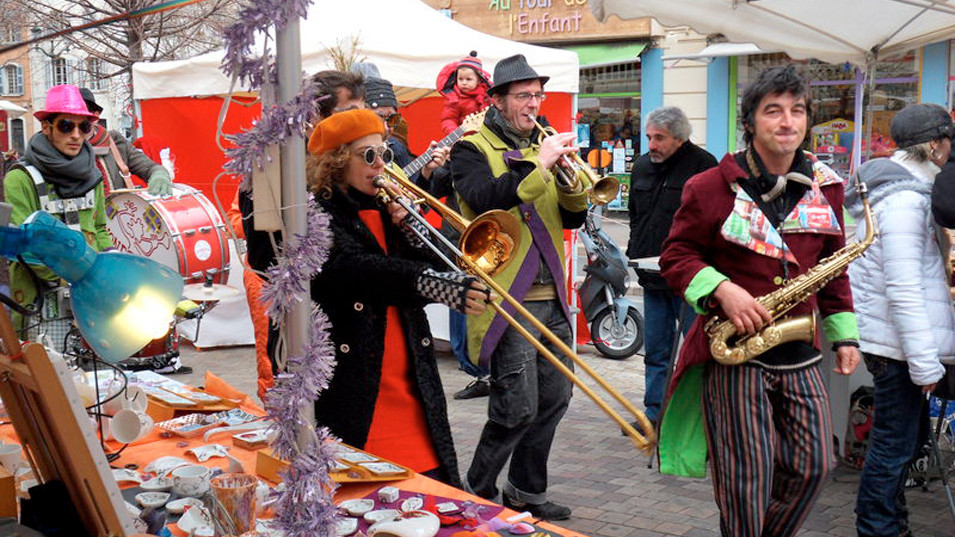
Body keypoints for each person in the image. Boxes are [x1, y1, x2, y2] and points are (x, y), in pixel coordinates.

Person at [659, 65, 861, 537]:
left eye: (797, 111)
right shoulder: (709, 186)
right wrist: (722, 289)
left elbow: (833, 266)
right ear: (750, 122)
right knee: (745, 481)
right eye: (773, 111)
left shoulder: (826, 186)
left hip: (800, 349)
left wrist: (844, 334)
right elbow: (677, 255)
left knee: (815, 466)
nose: (787, 122)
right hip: (734, 353)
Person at [308, 108, 490, 485]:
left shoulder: (383, 207)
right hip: (358, 387)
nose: (381, 165)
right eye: (369, 155)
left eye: (385, 154)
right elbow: (356, 271)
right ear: (338, 161)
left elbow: (431, 263)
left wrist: (408, 228)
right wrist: (436, 284)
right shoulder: (318, 215)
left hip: (410, 385)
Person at [450, 54, 589, 520]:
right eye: (524, 96)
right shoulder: (471, 148)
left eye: (538, 95)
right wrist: (541, 167)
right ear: (499, 100)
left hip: (552, 294)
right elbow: (485, 199)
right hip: (506, 296)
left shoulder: (545, 143)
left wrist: (573, 184)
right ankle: (476, 491)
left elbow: (573, 218)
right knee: (515, 406)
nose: (534, 104)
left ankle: (526, 492)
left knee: (556, 398)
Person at [847, 103, 954, 537]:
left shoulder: (897, 191)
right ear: (934, 145)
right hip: (897, 347)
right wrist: (925, 363)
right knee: (893, 446)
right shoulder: (906, 201)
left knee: (900, 443)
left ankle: (888, 523)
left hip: (893, 342)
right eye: (948, 141)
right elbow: (905, 289)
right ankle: (878, 528)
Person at [625, 106, 716, 434]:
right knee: (656, 350)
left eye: (659, 138)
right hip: (652, 276)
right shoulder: (642, 166)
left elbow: (715, 223)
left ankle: (695, 420)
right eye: (649, 136)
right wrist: (634, 251)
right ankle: (655, 414)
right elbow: (636, 215)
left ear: (680, 138)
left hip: (692, 279)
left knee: (695, 351)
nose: (652, 144)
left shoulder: (705, 167)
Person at [3, 84, 112, 351]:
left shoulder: (93, 175)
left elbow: (99, 229)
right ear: (46, 127)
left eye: (84, 127)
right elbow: (25, 247)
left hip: (89, 300)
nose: (76, 135)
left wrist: (110, 269)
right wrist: (80, 275)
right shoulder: (20, 178)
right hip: (39, 304)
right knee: (49, 385)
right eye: (66, 126)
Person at [79, 88, 172, 197]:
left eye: (82, 119)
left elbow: (150, 167)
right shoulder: (60, 148)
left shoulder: (115, 141)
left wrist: (159, 174)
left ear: (95, 117)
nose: (75, 132)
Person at [437, 51, 492, 135]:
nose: (464, 82)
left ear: (479, 80)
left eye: (468, 79)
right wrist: (455, 134)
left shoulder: (488, 93)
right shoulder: (454, 99)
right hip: (467, 138)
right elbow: (448, 119)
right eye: (460, 79)